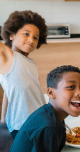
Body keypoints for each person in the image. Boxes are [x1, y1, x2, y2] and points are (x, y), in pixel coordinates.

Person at [2, 65, 80, 152]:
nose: (79, 93)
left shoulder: (48, 113)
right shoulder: (49, 127)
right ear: (51, 93)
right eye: (71, 87)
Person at [0, 10, 48, 139]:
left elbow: (9, 91)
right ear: (12, 35)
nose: (31, 40)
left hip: (38, 120)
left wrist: (3, 119)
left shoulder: (31, 63)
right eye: (26, 34)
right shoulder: (8, 57)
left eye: (35, 37)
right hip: (22, 125)